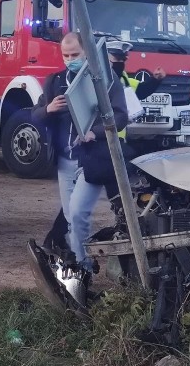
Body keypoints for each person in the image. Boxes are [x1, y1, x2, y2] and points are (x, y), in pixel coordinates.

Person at [32, 32, 129, 270]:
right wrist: (49, 109)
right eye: (65, 55)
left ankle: (83, 264)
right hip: (65, 160)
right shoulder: (55, 81)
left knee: (77, 213)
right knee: (70, 218)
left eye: (75, 54)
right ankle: (81, 265)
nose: (70, 59)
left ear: (87, 51)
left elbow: (121, 115)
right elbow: (34, 115)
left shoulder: (105, 80)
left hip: (92, 159)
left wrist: (94, 132)